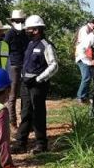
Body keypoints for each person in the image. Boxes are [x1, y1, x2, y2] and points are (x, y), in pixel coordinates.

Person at [12, 15, 59, 153]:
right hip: (26, 84)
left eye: (29, 29)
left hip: (38, 85)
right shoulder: (30, 44)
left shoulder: (46, 45)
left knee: (38, 113)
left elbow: (54, 65)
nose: (27, 31)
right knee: (25, 113)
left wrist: (39, 79)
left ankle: (41, 144)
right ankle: (21, 143)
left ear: (37, 30)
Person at [4, 9, 29, 128]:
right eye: (17, 20)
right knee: (12, 95)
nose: (19, 22)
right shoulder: (9, 34)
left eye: (21, 20)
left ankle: (25, 122)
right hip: (14, 66)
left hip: (25, 66)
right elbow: (5, 49)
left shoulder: (25, 33)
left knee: (25, 94)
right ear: (13, 21)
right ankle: (12, 122)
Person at [75, 17, 94, 103]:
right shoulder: (85, 30)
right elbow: (85, 44)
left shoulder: (89, 30)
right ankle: (80, 97)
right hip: (82, 57)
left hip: (87, 58)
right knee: (86, 77)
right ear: (93, 23)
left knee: (88, 77)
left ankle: (84, 97)